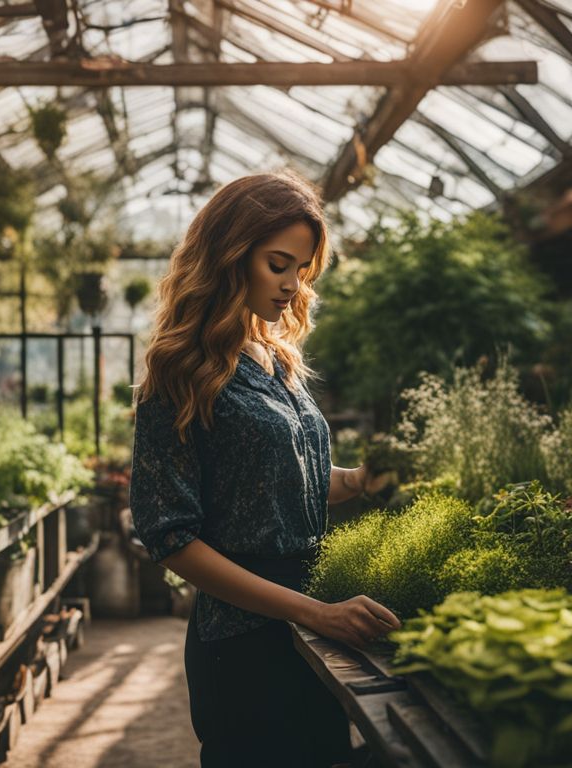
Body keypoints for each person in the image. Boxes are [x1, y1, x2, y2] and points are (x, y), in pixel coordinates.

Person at [129, 171, 400, 768]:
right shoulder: (179, 372)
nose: (290, 285)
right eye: (278, 264)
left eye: (301, 270)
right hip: (245, 639)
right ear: (230, 256)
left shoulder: (275, 358)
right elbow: (171, 538)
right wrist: (314, 612)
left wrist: (356, 480)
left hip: (317, 622)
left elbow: (276, 482)